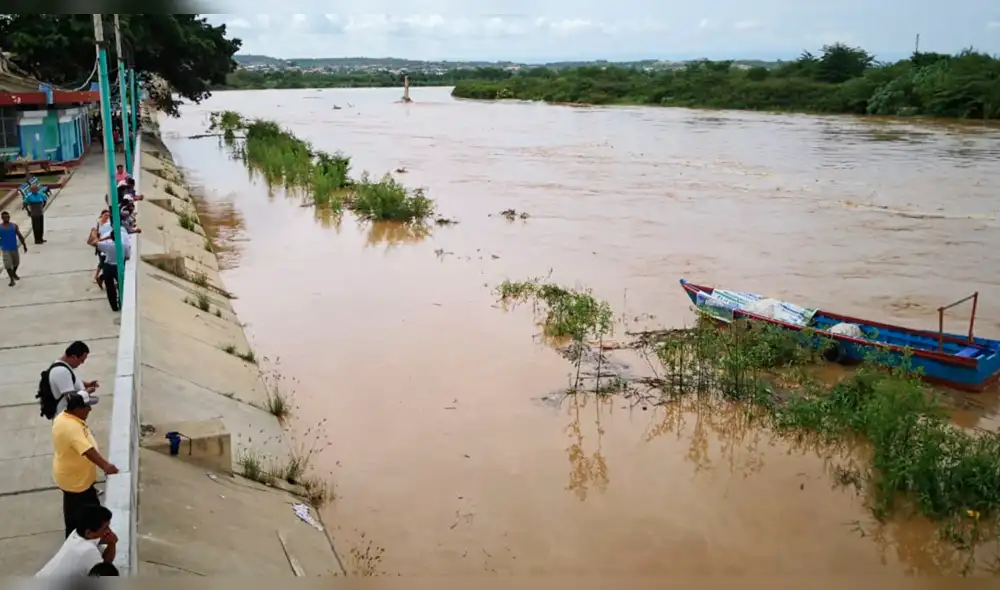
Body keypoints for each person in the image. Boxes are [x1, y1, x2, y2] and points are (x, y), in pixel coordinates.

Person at [52, 392, 118, 538]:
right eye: (87, 407)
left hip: (74, 479)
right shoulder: (71, 428)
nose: (90, 410)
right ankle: (76, 544)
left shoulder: (65, 417)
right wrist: (106, 466)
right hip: (76, 483)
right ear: (77, 408)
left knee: (76, 513)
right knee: (81, 519)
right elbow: (87, 450)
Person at [36, 504, 117, 577]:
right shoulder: (88, 550)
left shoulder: (76, 533)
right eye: (105, 528)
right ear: (88, 533)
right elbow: (105, 571)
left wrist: (110, 543)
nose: (109, 531)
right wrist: (112, 543)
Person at [45, 341, 99, 417]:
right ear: (74, 357)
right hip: (66, 419)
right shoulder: (61, 372)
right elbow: (72, 399)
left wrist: (86, 384)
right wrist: (87, 392)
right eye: (81, 360)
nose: (82, 363)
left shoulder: (64, 366)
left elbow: (69, 381)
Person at [93, 219, 131, 312]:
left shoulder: (107, 246)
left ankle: (114, 306)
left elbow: (94, 243)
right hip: (119, 267)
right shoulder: (124, 246)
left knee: (110, 288)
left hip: (108, 267)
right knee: (121, 285)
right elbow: (127, 257)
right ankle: (122, 302)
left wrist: (96, 234)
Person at [0, 210, 28, 286]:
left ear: (9, 217)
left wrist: (24, 245)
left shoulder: (14, 226)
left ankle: (14, 273)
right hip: (5, 248)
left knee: (16, 263)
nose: (6, 218)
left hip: (14, 247)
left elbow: (19, 235)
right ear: (2, 218)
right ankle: (11, 279)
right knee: (8, 264)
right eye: (4, 217)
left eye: (7, 217)